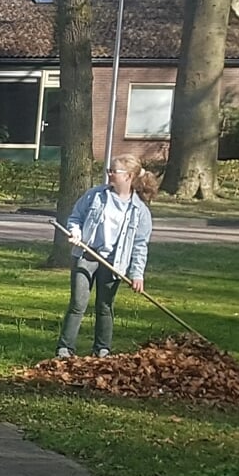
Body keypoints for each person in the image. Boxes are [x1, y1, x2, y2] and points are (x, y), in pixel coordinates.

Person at [58, 154, 157, 360]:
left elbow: (140, 245)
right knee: (78, 302)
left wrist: (137, 274)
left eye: (114, 171)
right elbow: (75, 217)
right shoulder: (96, 195)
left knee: (105, 305)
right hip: (86, 255)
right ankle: (65, 348)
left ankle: (102, 349)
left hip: (114, 263)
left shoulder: (140, 211)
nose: (109, 174)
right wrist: (75, 232)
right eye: (109, 170)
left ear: (129, 176)